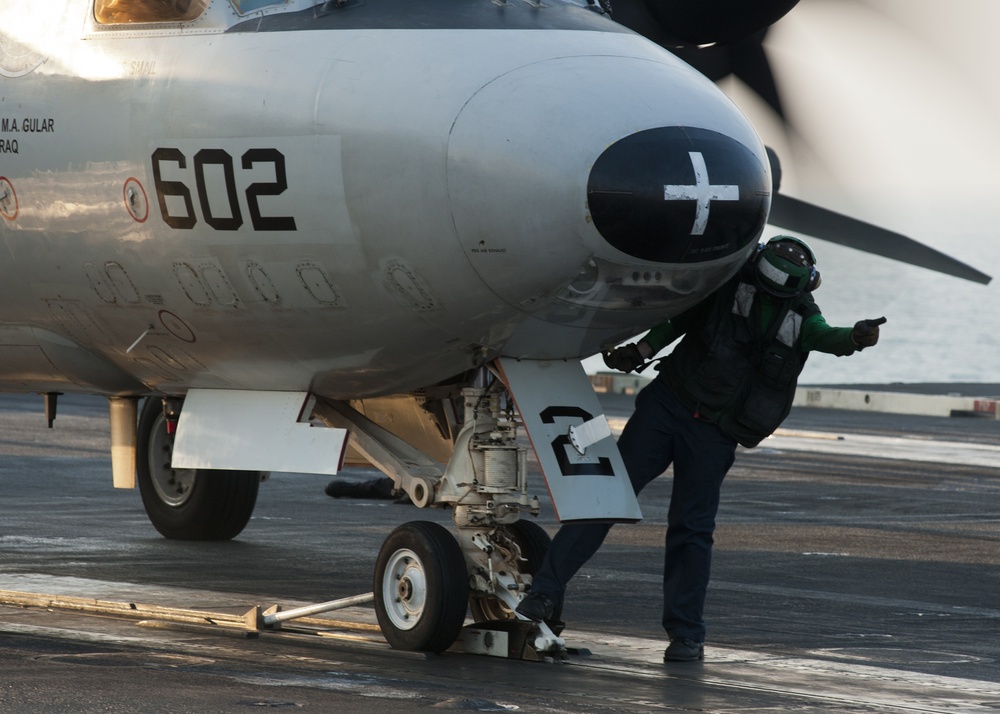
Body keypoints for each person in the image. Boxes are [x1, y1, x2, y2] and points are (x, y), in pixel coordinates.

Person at [516, 235, 886, 662]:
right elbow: (679, 321)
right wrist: (640, 350)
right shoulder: (730, 289)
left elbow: (828, 337)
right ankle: (548, 595)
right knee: (626, 506)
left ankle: (685, 635)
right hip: (668, 409)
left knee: (674, 523)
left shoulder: (798, 316)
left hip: (711, 431)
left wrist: (857, 337)